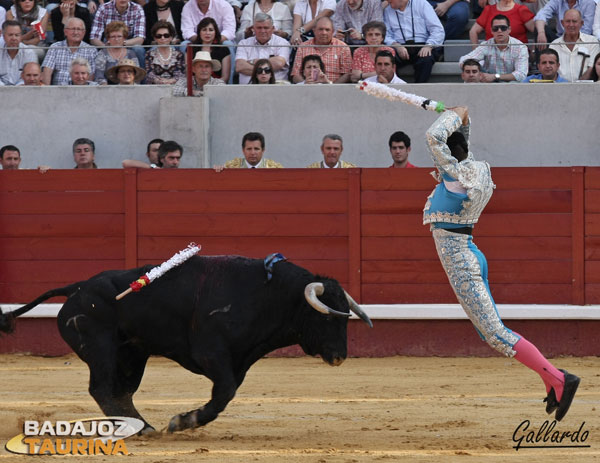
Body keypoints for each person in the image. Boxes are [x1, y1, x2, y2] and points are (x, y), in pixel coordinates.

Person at [423, 105, 580, 423]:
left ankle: (560, 380)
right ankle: (550, 380)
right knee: (491, 331)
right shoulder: (474, 168)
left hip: (461, 260)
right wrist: (461, 115)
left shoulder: (454, 175)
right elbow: (455, 141)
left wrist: (453, 117)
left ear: (448, 157)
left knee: (495, 333)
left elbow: (432, 136)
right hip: (471, 252)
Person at [382, 0, 445, 83]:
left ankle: (418, 90)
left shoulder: (422, 4)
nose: (387, 1)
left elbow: (437, 29)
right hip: (399, 46)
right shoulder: (387, 10)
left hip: (422, 45)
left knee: (426, 59)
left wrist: (429, 45)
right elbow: (386, 34)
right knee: (386, 58)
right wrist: (396, 45)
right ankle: (394, 89)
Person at [459, 14, 528, 82]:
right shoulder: (486, 45)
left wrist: (495, 76)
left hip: (510, 83)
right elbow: (464, 60)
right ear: (491, 31)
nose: (499, 31)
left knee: (514, 83)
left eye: (503, 28)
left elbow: (521, 75)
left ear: (509, 29)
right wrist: (476, 72)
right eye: (495, 28)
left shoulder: (520, 47)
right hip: (489, 83)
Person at [291, 17, 352, 83]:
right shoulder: (303, 47)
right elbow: (295, 74)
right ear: (314, 30)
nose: (324, 33)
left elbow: (347, 74)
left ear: (333, 31)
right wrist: (305, 84)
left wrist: (332, 88)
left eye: (327, 30)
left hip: (335, 89)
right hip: (308, 89)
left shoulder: (343, 47)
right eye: (320, 29)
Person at [236, 12, 290, 84]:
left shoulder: (282, 43)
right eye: (259, 28)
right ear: (253, 29)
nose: (262, 31)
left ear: (273, 28)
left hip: (276, 88)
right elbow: (240, 67)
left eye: (266, 28)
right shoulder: (243, 43)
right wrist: (267, 70)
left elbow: (279, 63)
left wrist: (252, 62)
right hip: (248, 89)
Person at [41, 17, 97, 85]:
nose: (76, 32)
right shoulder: (55, 47)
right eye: (73, 29)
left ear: (84, 32)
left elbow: (91, 75)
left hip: (81, 91)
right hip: (58, 91)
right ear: (65, 31)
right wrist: (47, 91)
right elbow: (47, 71)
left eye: (79, 29)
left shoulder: (91, 50)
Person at [90, 0, 146, 66]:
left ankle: (141, 75)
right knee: (93, 49)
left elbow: (140, 39)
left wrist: (120, 43)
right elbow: (94, 38)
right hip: (108, 43)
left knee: (138, 49)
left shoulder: (137, 9)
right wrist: (106, 46)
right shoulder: (104, 8)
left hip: (129, 43)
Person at [549, 9, 600, 81]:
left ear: (581, 23)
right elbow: (552, 71)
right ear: (562, 23)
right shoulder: (554, 45)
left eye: (574, 21)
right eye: (568, 21)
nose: (571, 25)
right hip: (560, 88)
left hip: (586, 88)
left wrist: (577, 86)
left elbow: (592, 68)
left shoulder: (592, 42)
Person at [469, 0, 534, 46]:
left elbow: (536, 30)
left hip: (517, 56)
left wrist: (534, 50)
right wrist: (476, 52)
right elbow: (473, 31)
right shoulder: (489, 9)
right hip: (492, 55)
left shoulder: (521, 10)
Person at [145, 20, 185, 84]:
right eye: (159, 36)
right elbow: (149, 74)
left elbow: (180, 75)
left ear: (171, 37)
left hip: (175, 88)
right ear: (155, 38)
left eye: (166, 35)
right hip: (155, 87)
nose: (162, 38)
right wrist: (159, 81)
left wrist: (169, 81)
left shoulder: (179, 55)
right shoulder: (149, 54)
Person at [215, 132, 283, 169]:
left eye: (256, 149)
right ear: (243, 150)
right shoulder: (231, 168)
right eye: (249, 149)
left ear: (263, 150)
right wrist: (218, 172)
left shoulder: (274, 169)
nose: (253, 153)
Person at [0, 20, 37, 86]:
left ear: (21, 37)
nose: (14, 38)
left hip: (22, 90)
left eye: (17, 35)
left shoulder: (29, 53)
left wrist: (19, 87)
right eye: (10, 35)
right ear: (4, 36)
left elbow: (31, 77)